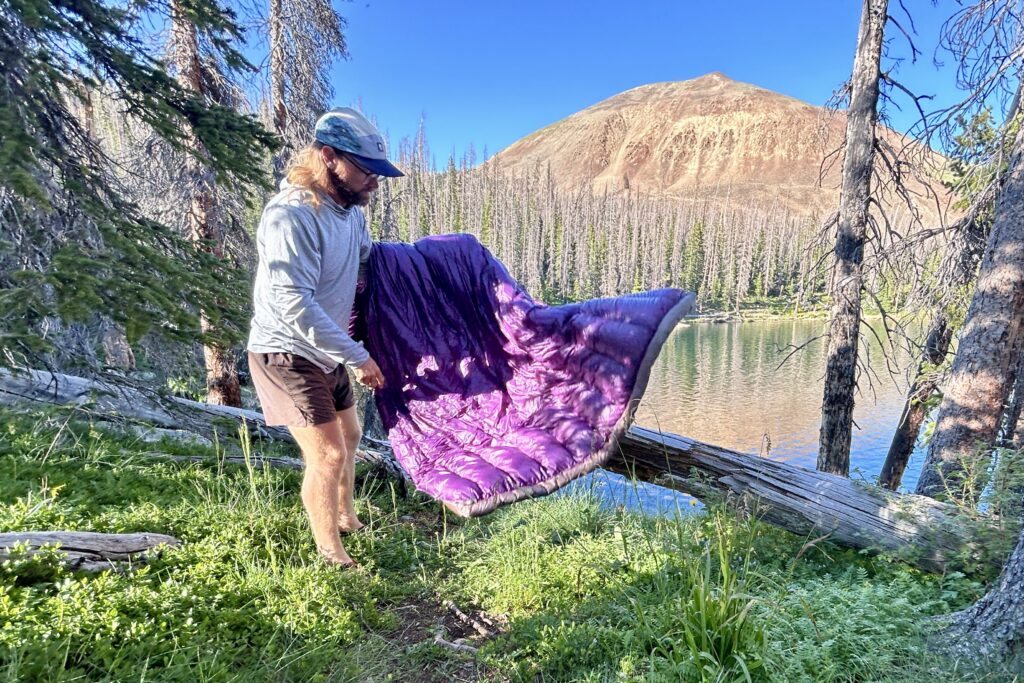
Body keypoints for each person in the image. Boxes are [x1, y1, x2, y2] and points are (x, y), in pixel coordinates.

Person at [247, 108, 403, 568]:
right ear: (330, 157)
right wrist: (358, 355)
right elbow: (292, 302)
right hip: (285, 353)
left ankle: (347, 518)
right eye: (366, 171)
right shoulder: (292, 215)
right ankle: (331, 553)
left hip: (324, 348)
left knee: (351, 435)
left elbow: (368, 261)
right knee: (328, 453)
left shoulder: (350, 212)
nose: (375, 182)